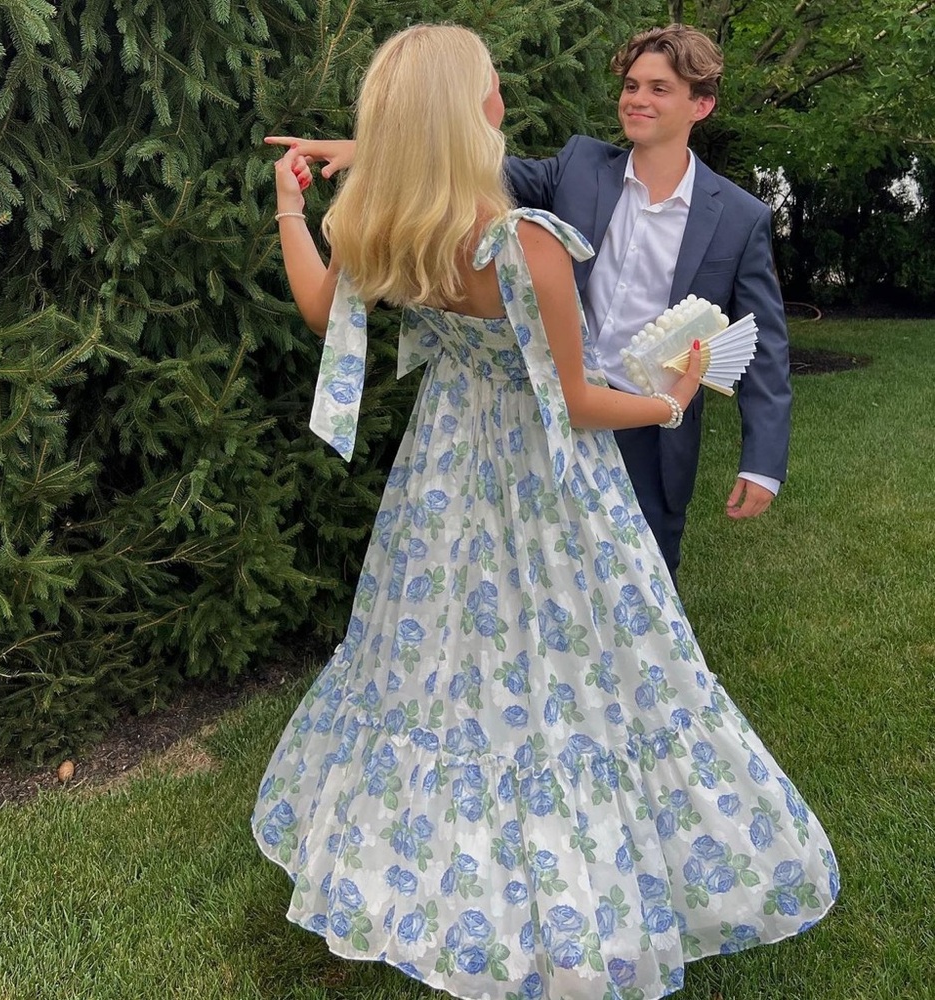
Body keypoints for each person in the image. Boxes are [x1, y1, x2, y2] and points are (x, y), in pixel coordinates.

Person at [253, 23, 837, 1000]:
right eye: (490, 88)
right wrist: (672, 397)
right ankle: (580, 887)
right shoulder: (522, 243)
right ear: (476, 114)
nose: (502, 101)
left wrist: (288, 203)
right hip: (548, 481)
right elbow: (570, 401)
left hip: (441, 475)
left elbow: (321, 309)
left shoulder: (387, 222)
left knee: (440, 668)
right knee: (598, 671)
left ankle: (408, 872)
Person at [266, 24, 792, 584]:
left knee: (644, 578)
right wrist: (372, 151)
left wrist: (762, 462)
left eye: (659, 89)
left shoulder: (740, 216)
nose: (637, 99)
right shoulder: (580, 166)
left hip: (650, 423)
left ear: (701, 105)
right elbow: (457, 159)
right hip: (549, 414)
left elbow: (765, 345)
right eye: (631, 85)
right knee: (548, 571)